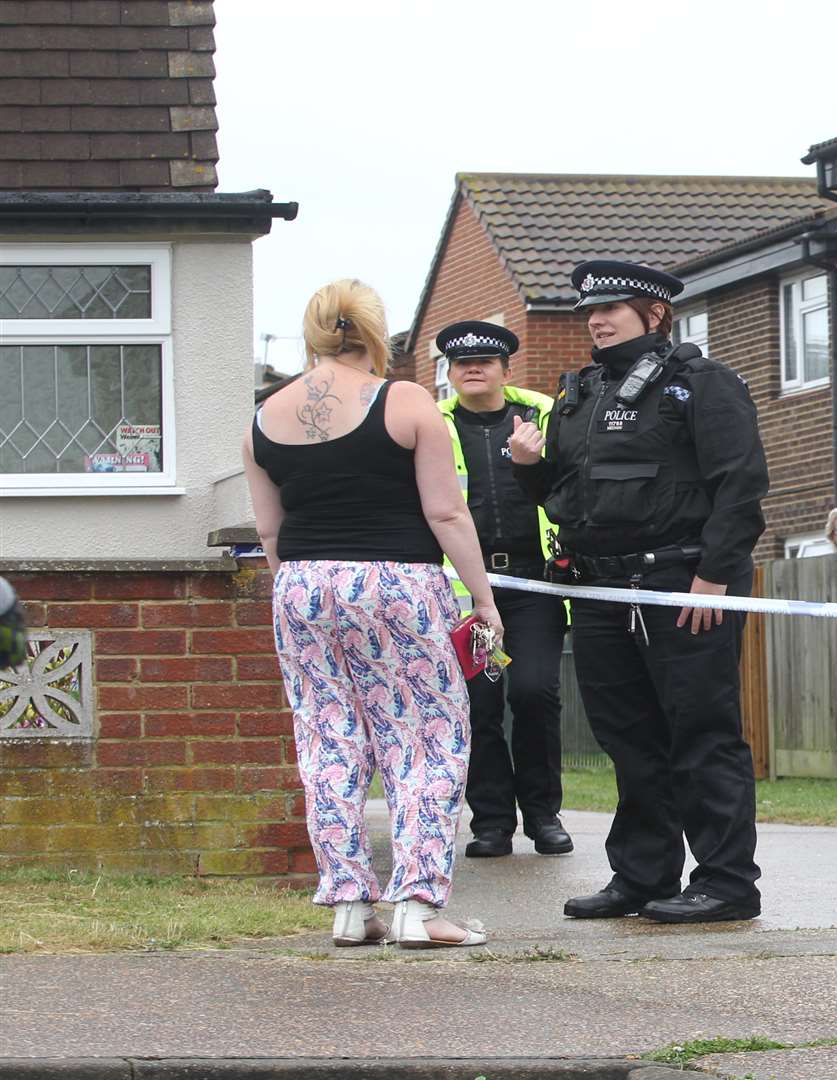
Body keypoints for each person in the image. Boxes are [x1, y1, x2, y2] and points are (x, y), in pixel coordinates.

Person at [243, 279, 500, 949]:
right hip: (397, 582)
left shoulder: (264, 415)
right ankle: (418, 906)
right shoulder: (407, 400)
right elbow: (445, 511)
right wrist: (483, 598)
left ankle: (350, 908)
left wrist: (303, 593)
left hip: (300, 584)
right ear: (376, 332)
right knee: (423, 741)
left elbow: (270, 531)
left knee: (327, 742)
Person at [509, 259, 768, 923]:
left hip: (679, 582)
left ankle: (727, 883)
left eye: (612, 309)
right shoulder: (580, 394)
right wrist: (530, 472)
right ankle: (643, 875)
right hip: (599, 588)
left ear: (654, 313)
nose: (596, 320)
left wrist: (713, 578)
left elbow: (740, 487)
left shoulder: (702, 384)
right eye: (590, 311)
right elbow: (571, 499)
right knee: (628, 738)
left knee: (701, 734)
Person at [434, 320, 573, 861]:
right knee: (479, 702)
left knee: (535, 693)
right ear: (449, 372)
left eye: (485, 361)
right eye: (463, 363)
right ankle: (491, 822)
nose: (474, 369)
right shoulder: (431, 421)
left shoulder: (545, 414)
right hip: (463, 590)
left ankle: (543, 815)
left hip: (532, 583)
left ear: (505, 369)